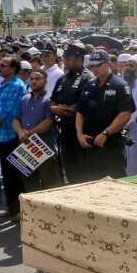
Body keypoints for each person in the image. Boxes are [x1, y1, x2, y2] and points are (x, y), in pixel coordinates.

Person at [76, 50, 136, 181]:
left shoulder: (119, 85)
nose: (95, 69)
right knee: (93, 182)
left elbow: (125, 114)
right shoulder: (90, 86)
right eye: (92, 66)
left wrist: (106, 133)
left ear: (108, 64)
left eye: (98, 65)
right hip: (91, 144)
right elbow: (80, 112)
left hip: (111, 145)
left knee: (115, 184)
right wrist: (79, 134)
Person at [0, 56, 27, 219]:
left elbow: (14, 109)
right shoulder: (0, 86)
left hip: (13, 133)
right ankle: (11, 207)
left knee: (17, 173)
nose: (0, 67)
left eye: (3, 65)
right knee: (7, 174)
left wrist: (0, 119)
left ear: (13, 68)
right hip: (1, 134)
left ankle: (21, 209)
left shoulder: (18, 86)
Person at [12, 70, 61, 192]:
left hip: (45, 147)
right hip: (26, 147)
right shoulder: (24, 99)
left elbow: (48, 123)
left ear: (46, 81)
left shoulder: (50, 99)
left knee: (51, 184)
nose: (33, 81)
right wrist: (20, 133)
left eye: (37, 79)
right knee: (30, 185)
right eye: (31, 78)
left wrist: (28, 133)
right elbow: (15, 120)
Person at [50, 42, 91, 184]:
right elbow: (52, 99)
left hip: (80, 131)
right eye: (64, 59)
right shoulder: (63, 78)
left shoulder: (87, 78)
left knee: (83, 172)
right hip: (64, 131)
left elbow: (85, 102)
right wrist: (54, 108)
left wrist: (68, 109)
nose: (64, 62)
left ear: (79, 59)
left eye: (68, 59)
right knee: (70, 170)